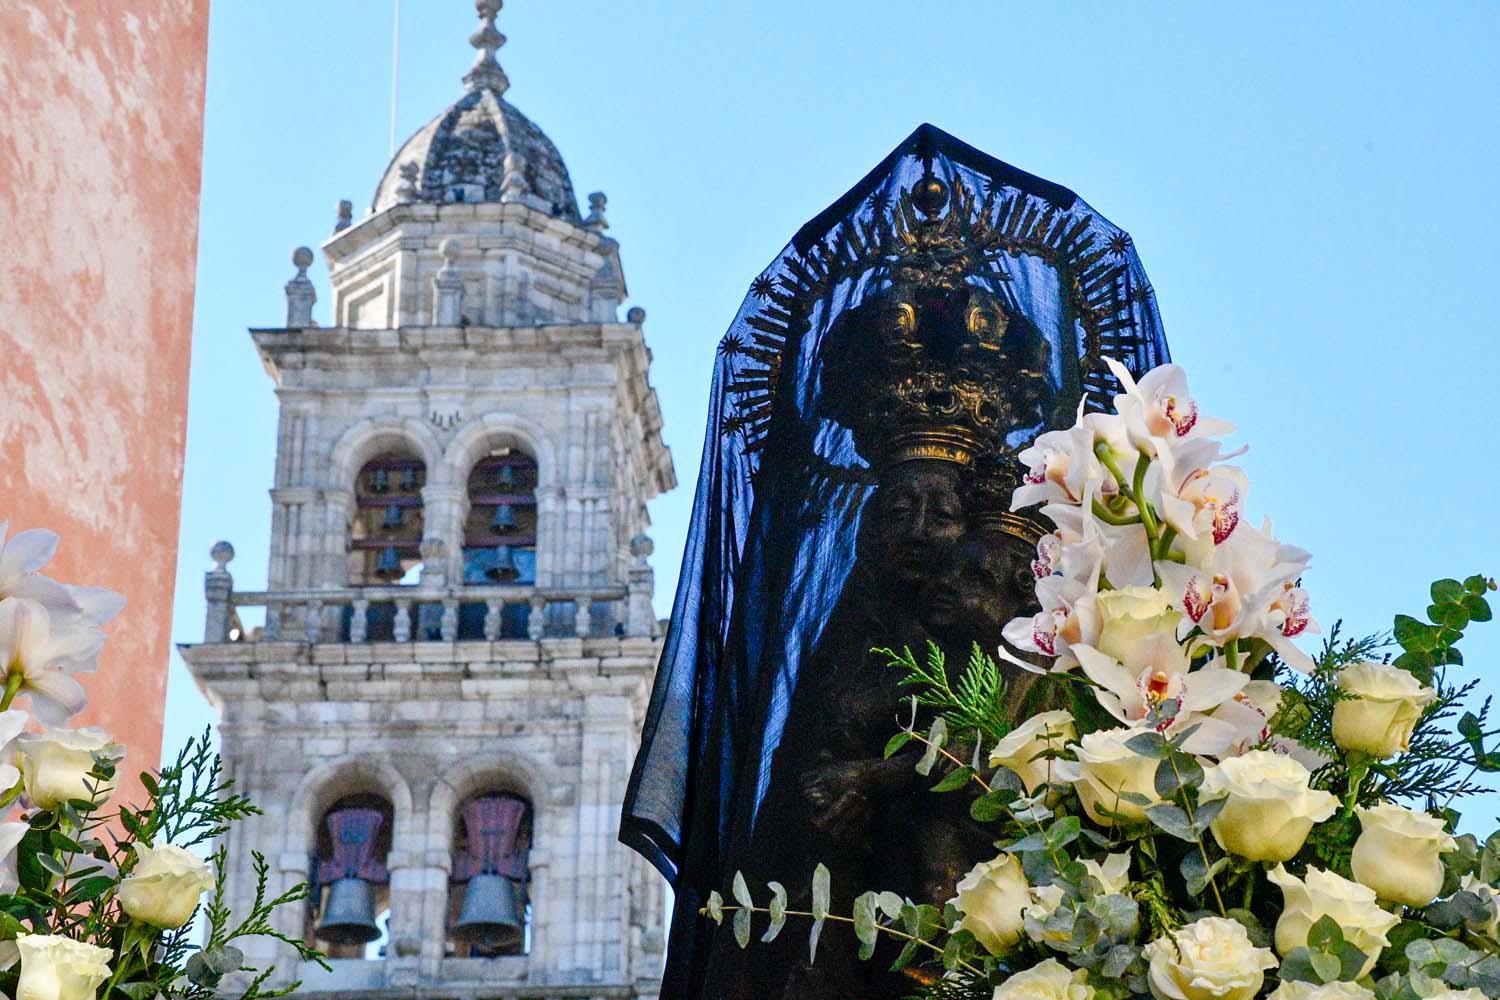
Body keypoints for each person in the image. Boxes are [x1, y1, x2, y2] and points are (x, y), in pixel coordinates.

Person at [621, 124, 1172, 998]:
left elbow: (1037, 746)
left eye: (939, 510)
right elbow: (796, 807)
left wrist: (883, 778)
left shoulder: (1028, 614)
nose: (918, 528)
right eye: (898, 507)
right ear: (867, 519)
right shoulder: (850, 632)